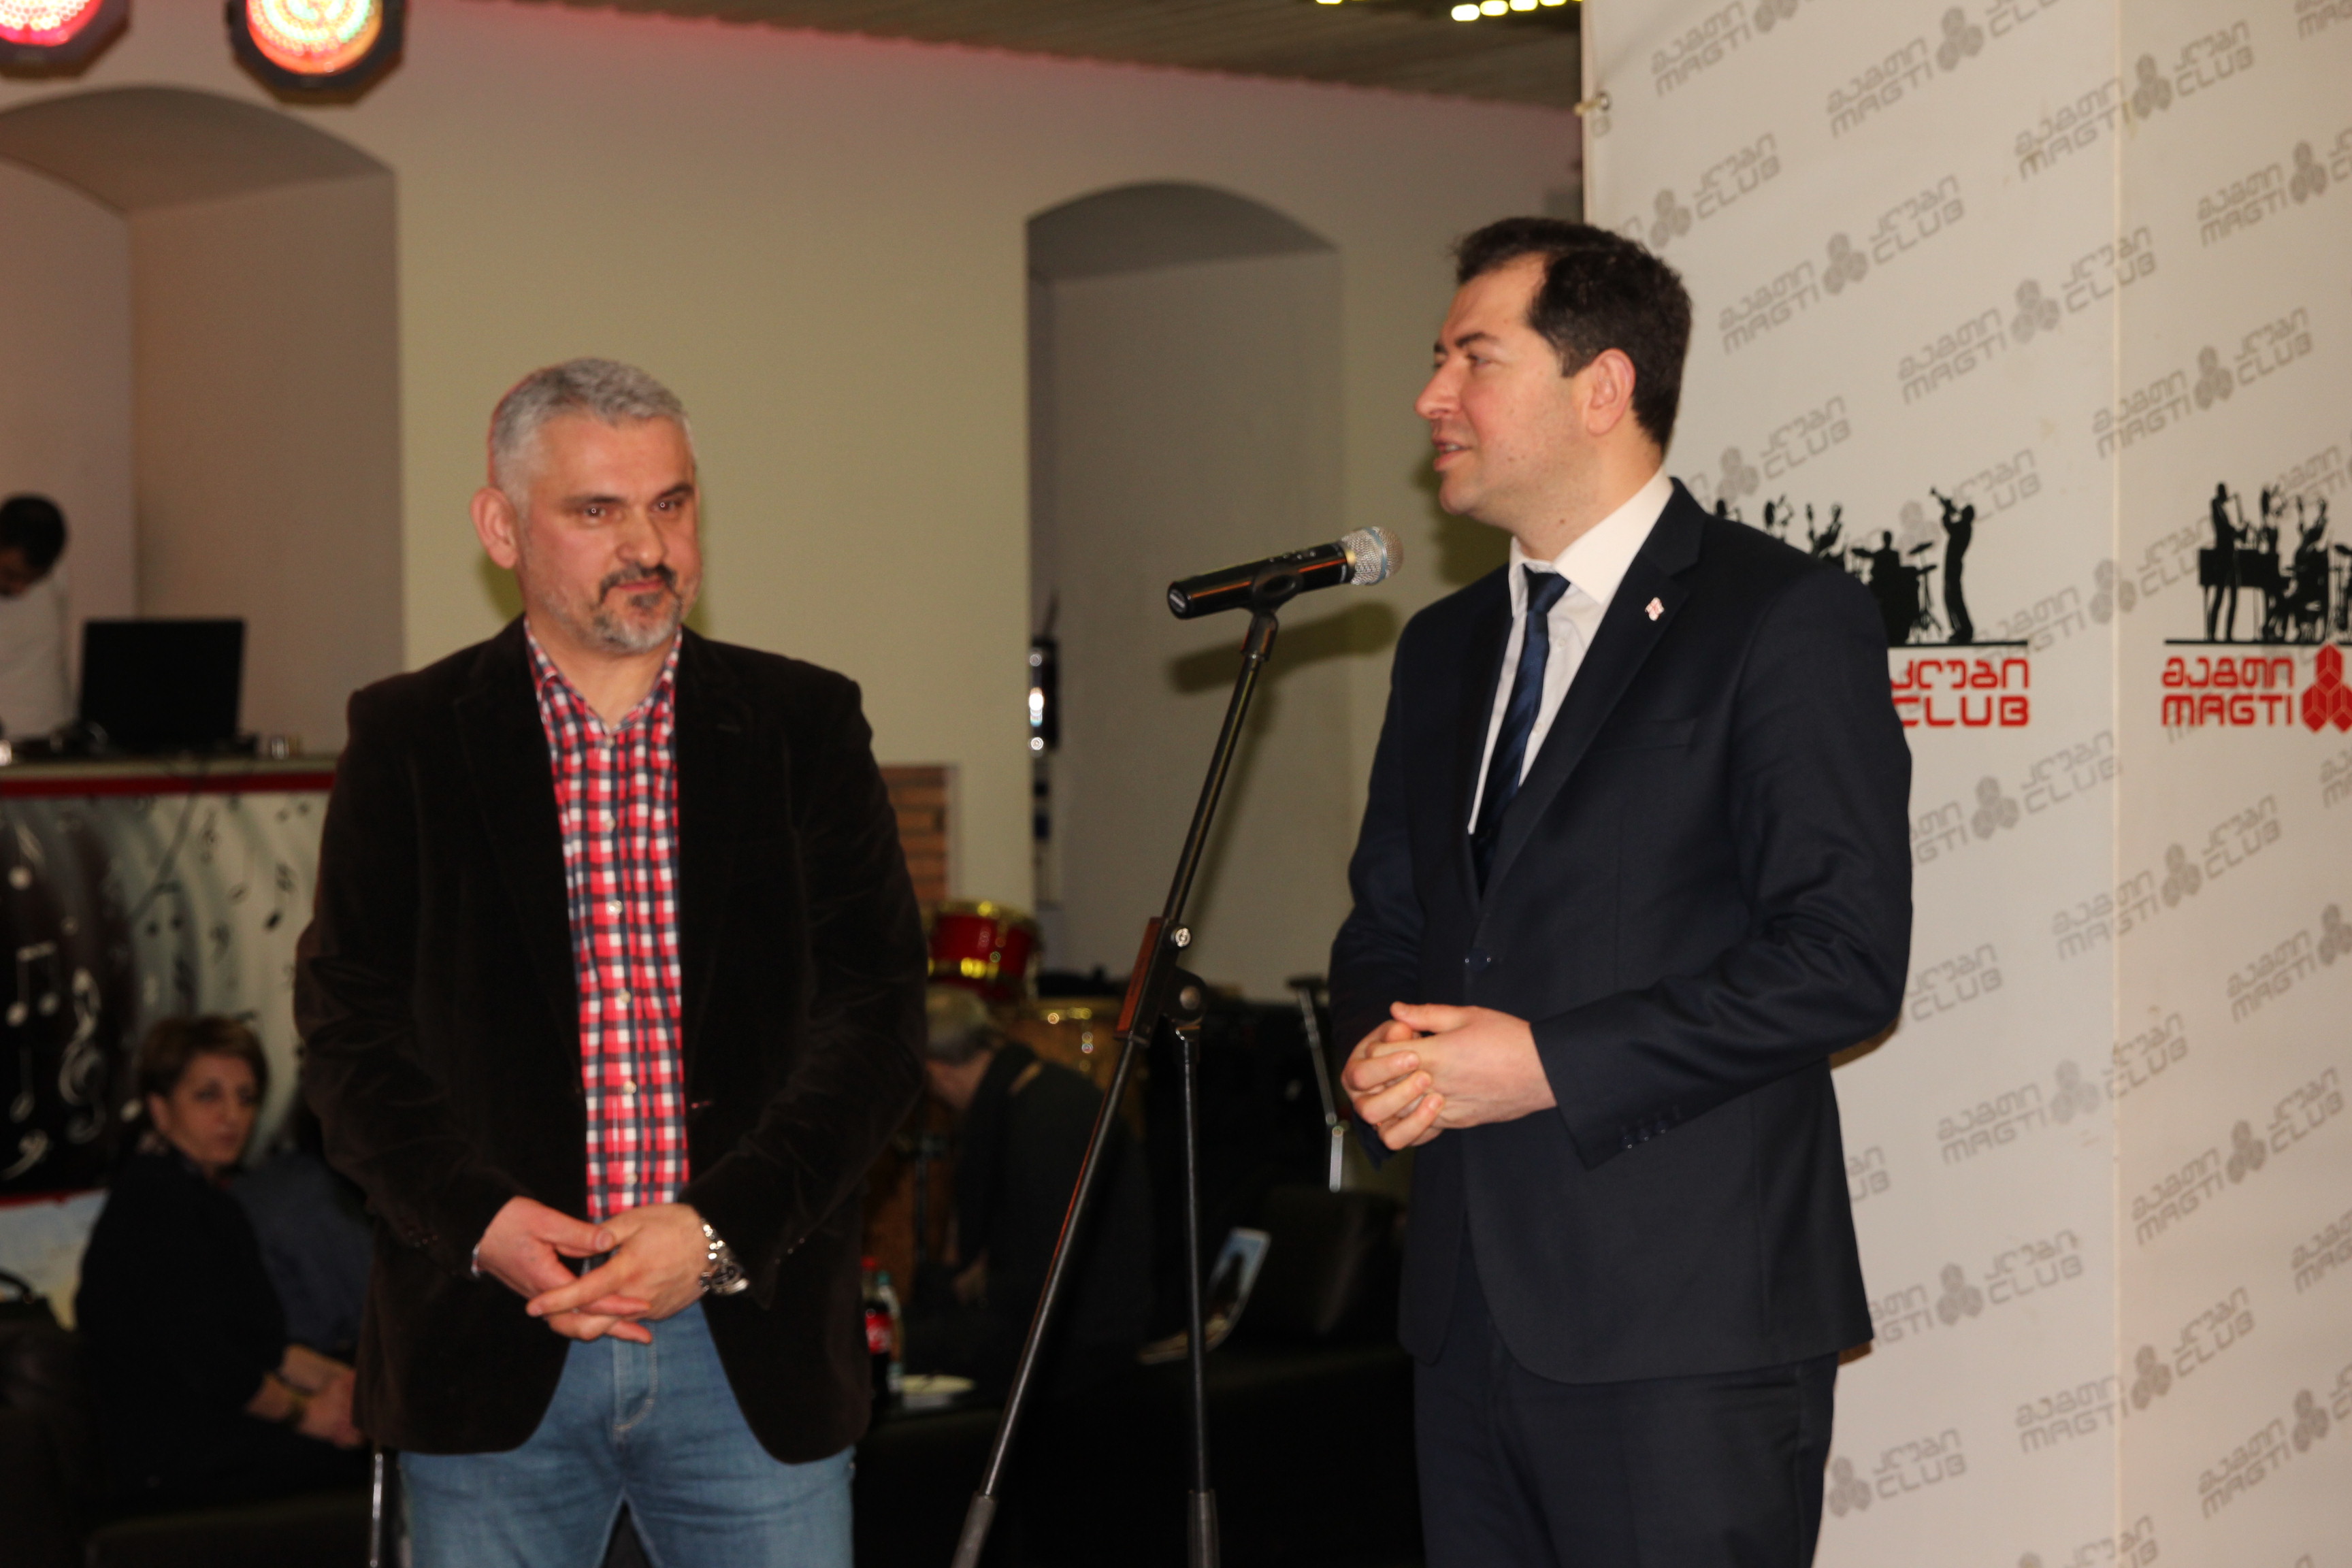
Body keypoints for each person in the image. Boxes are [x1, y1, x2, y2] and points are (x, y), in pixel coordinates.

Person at [1331, 219, 1911, 1567]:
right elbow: (1392, 923)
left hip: (1683, 1333)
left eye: (1473, 358)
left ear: (1603, 388)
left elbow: (1839, 955)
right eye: (1435, 359)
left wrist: (1546, 1063)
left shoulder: (1778, 617)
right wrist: (1378, 1048)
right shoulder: (1444, 647)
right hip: (1464, 1323)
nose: (1431, 397)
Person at [296, 359, 926, 1568]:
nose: (648, 545)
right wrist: (480, 1220)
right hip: (493, 1340)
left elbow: (877, 1021)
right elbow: (348, 1033)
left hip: (750, 1343)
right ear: (501, 528)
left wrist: (718, 1230)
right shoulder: (409, 737)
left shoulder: (802, 727)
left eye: (671, 504)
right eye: (598, 510)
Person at [75, 1017, 368, 1512]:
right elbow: (210, 1363)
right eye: (208, 1096)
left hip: (218, 1435)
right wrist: (309, 1414)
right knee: (388, 1461)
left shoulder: (208, 1201)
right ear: (160, 1109)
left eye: (246, 1098)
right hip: (175, 1459)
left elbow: (266, 1347)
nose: (232, 1115)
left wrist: (347, 1386)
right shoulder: (153, 1203)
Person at [902, 987, 1152, 1401]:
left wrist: (976, 1286)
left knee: (890, 1346)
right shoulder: (1041, 1091)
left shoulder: (1042, 1121)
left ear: (936, 1070)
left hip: (1076, 1342)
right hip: (1065, 1319)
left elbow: (1042, 1274)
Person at [0, 494, 73, 740]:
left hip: (52, 738)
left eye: (34, 579)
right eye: (10, 574)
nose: (20, 589)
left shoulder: (56, 575)